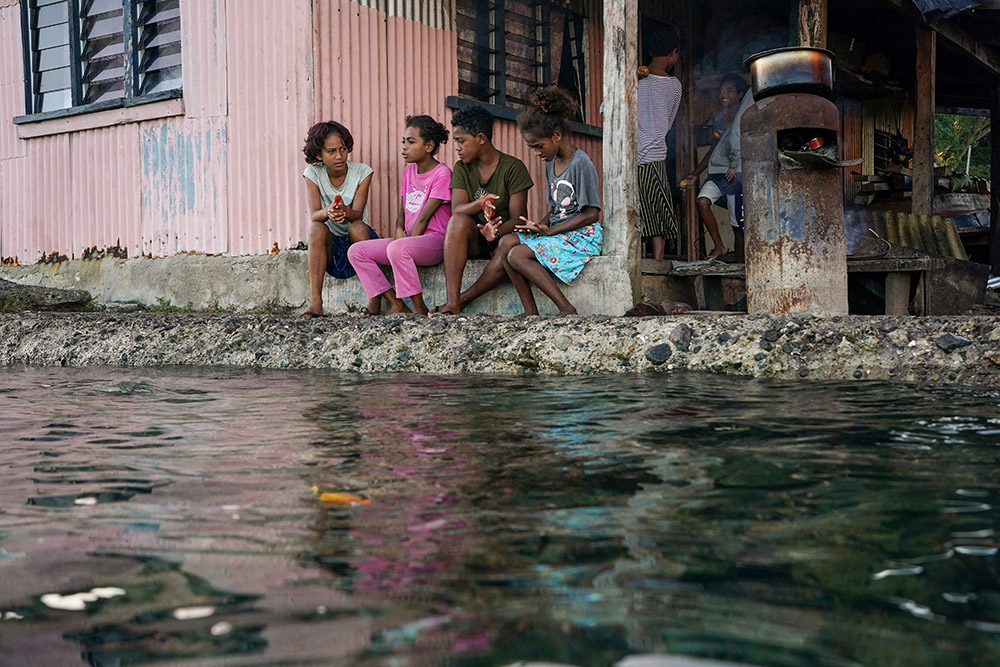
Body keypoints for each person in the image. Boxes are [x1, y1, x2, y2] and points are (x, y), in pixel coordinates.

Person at [495, 87, 602, 316]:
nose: (536, 153)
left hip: (582, 235)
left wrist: (552, 232)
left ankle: (566, 308)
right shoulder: (551, 165)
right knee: (506, 243)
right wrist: (540, 226)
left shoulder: (580, 163)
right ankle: (530, 311)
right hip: (559, 231)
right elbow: (555, 209)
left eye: (538, 146)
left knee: (517, 254)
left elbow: (592, 214)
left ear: (556, 135)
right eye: (531, 147)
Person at [432, 105, 533, 315]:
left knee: (507, 249)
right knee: (457, 220)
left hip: (502, 237)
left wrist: (494, 233)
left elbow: (519, 218)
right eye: (455, 142)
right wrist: (480, 205)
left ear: (480, 138)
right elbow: (457, 209)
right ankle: (452, 300)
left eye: (461, 141)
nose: (457, 148)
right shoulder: (462, 168)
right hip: (474, 239)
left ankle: (463, 299)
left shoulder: (513, 168)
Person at [347, 115, 452, 316]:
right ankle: (396, 303)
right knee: (357, 251)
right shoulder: (408, 172)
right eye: (403, 141)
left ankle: (419, 307)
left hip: (435, 242)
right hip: (407, 241)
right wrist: (398, 230)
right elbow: (403, 211)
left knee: (397, 248)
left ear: (429, 146)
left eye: (411, 142)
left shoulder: (442, 174)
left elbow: (424, 217)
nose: (404, 147)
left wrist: (404, 241)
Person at [301, 120, 377, 318]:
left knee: (358, 227)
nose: (339, 156)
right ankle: (316, 303)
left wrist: (344, 211)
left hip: (357, 241)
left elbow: (358, 213)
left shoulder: (362, 172)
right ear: (319, 154)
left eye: (343, 149)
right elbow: (315, 214)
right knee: (317, 229)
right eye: (331, 151)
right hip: (330, 247)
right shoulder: (313, 174)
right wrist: (328, 211)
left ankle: (374, 299)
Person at [680, 74, 753, 261]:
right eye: (721, 92)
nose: (723, 95)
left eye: (729, 91)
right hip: (716, 173)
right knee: (702, 202)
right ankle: (719, 246)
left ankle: (739, 265)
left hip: (734, 175)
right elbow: (712, 151)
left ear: (739, 94)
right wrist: (695, 174)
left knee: (737, 226)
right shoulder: (718, 120)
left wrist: (735, 163)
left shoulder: (746, 118)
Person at [637, 26, 683, 261]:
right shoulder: (674, 86)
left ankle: (639, 256)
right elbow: (670, 121)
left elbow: (606, 107)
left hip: (632, 153)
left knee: (640, 205)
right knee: (659, 205)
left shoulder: (634, 79)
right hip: (656, 153)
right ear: (672, 53)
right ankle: (658, 259)